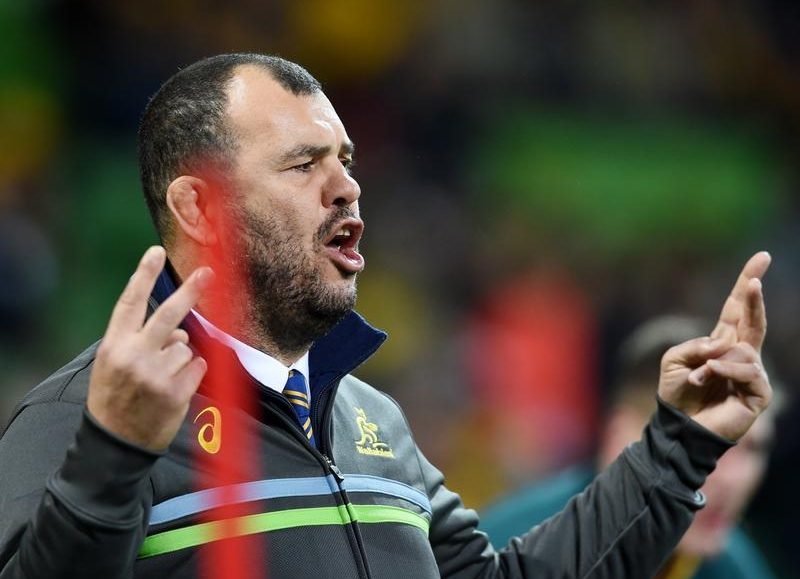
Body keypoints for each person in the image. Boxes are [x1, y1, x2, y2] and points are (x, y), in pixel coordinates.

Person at [0, 53, 775, 578]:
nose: (347, 186)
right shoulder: (79, 417)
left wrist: (679, 442)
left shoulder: (370, 418)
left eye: (346, 160)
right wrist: (112, 456)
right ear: (199, 207)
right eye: (303, 164)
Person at [480, 316, 780, 579]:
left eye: (754, 448)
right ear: (620, 438)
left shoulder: (732, 565)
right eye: (703, 444)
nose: (733, 478)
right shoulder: (508, 552)